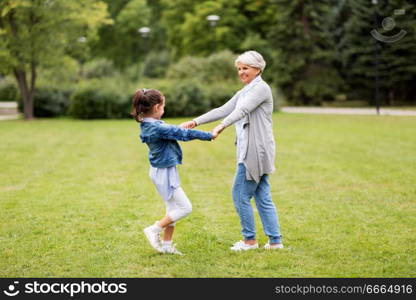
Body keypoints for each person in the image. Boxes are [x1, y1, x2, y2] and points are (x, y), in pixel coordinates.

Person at [181, 50, 283, 251]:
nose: (241, 72)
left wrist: (221, 126)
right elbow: (223, 109)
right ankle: (275, 241)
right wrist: (195, 121)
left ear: (257, 69)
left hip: (255, 151)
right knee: (262, 195)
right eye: (239, 69)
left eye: (245, 68)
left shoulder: (261, 89)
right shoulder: (245, 91)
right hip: (255, 149)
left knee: (239, 194)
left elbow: (241, 111)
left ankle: (249, 241)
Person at [131, 88, 215, 255]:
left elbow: (170, 131)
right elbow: (182, 134)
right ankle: (154, 229)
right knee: (185, 208)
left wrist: (178, 127)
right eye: (163, 107)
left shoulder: (149, 124)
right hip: (164, 173)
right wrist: (208, 135)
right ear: (156, 107)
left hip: (161, 170)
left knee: (172, 210)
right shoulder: (157, 128)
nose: (164, 110)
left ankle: (167, 246)